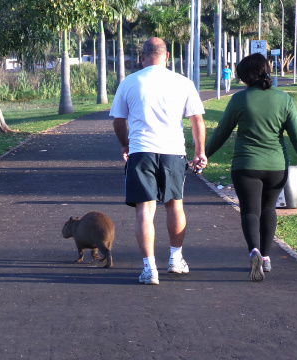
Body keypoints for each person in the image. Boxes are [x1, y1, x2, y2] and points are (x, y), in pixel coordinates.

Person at [205, 53, 297, 282]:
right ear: (266, 70)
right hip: (276, 167)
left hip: (245, 166)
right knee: (268, 210)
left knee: (249, 211)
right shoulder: (284, 99)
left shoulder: (239, 100)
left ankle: (253, 250)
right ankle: (265, 257)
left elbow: (221, 133)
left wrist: (202, 155)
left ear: (244, 76)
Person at [110, 37, 207, 285]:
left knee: (145, 210)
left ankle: (149, 269)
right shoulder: (183, 83)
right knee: (175, 205)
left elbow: (119, 121)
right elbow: (196, 120)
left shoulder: (129, 82)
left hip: (141, 151)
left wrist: (125, 144)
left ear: (142, 56)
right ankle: (175, 259)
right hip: (173, 152)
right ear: (166, 57)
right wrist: (199, 151)